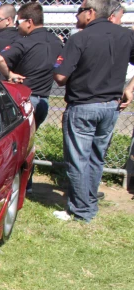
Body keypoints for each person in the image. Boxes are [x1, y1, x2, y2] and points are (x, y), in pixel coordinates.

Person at [53, 0, 134, 222]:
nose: (76, 16)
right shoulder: (126, 35)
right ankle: (87, 203)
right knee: (96, 158)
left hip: (83, 106)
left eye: (79, 11)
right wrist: (130, 89)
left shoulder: (80, 38)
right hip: (110, 106)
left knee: (79, 159)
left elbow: (60, 77)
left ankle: (82, 211)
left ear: (91, 13)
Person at [0, 2, 62, 191]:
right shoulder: (55, 40)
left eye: (19, 22)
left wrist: (9, 75)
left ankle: (14, 183)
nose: (17, 26)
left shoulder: (25, 41)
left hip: (25, 98)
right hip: (44, 100)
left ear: (29, 22)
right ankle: (28, 183)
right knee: (31, 141)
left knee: (15, 143)